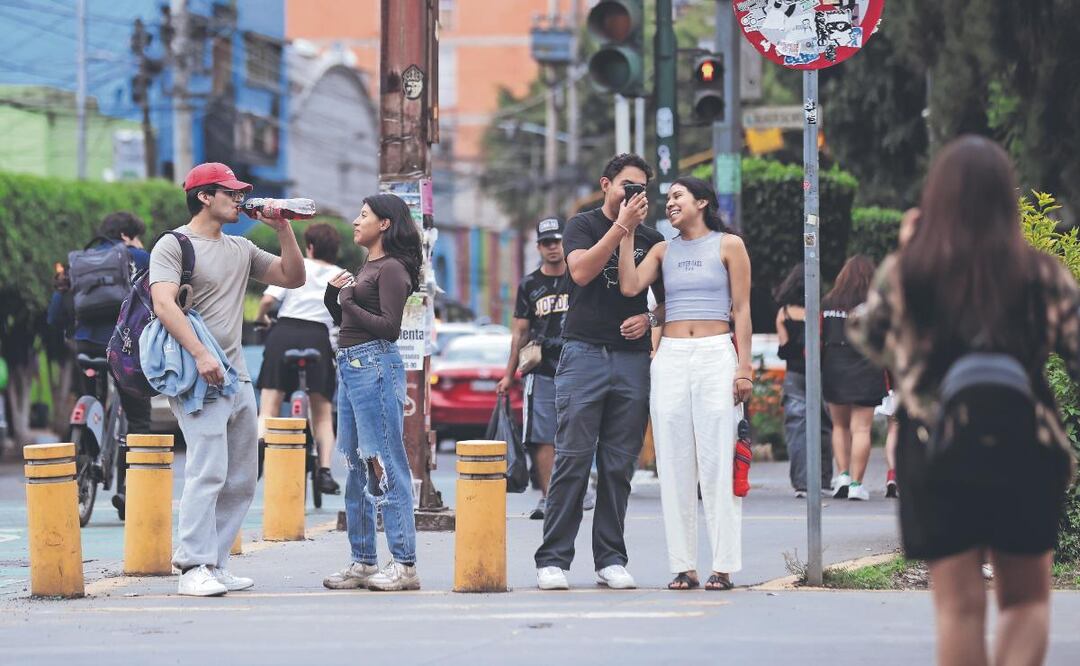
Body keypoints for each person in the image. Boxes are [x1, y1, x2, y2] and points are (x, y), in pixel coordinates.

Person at [850, 135, 1080, 666]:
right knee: (1025, 601)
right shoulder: (1042, 275)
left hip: (934, 451)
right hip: (1027, 446)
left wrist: (907, 252)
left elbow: (871, 337)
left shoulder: (912, 272)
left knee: (958, 609)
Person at [149, 163, 305, 597]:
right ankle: (192, 566)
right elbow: (164, 304)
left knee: (240, 475)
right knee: (207, 470)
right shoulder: (174, 244)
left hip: (237, 378)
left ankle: (215, 563)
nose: (239, 199)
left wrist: (283, 229)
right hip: (197, 376)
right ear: (204, 196)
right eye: (230, 193)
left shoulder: (240, 247)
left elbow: (293, 277)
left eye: (240, 193)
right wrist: (200, 355)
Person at [533, 153, 665, 592]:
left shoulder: (653, 237)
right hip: (584, 354)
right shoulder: (582, 225)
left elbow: (667, 300)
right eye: (627, 186)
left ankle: (610, 558)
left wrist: (649, 321)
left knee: (618, 465)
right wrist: (621, 226)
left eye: (641, 189)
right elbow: (582, 271)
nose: (634, 195)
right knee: (572, 459)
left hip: (631, 360)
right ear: (606, 184)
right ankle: (553, 559)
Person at [617, 176, 752, 591]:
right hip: (671, 358)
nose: (670, 203)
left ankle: (723, 565)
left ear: (702, 202)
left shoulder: (729, 245)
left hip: (716, 354)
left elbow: (744, 309)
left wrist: (744, 368)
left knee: (716, 461)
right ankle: (684, 565)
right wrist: (625, 230)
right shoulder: (662, 249)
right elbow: (630, 286)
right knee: (674, 463)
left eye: (678, 196)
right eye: (669, 198)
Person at [321, 193, 423, 592]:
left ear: (384, 224)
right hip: (350, 364)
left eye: (363, 215)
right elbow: (348, 319)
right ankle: (363, 560)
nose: (355, 221)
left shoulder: (393, 268)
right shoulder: (368, 265)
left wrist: (348, 299)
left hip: (376, 364)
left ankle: (404, 563)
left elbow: (389, 327)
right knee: (356, 463)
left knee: (386, 461)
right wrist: (336, 298)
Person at [48, 212, 153, 512]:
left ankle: (85, 454)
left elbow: (55, 316)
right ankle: (131, 492)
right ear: (124, 236)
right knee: (139, 419)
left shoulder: (77, 263)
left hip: (85, 348)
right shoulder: (139, 258)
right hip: (124, 349)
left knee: (94, 396)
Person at [255, 223, 345, 495]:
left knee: (269, 403)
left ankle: (260, 448)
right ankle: (326, 471)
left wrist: (261, 320)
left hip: (283, 334)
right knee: (322, 411)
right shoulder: (342, 275)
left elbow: (267, 301)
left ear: (310, 246)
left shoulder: (295, 265)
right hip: (318, 338)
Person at [497, 216, 571, 520]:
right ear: (539, 247)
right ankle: (548, 497)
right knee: (542, 436)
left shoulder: (579, 276)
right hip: (541, 369)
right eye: (546, 242)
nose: (553, 247)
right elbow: (520, 332)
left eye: (557, 241)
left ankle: (575, 491)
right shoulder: (529, 285)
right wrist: (508, 373)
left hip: (578, 366)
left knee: (579, 432)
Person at [821, 255, 887, 501]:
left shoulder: (828, 302)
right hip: (867, 367)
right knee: (862, 428)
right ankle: (858, 485)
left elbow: (820, 336)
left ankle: (843, 476)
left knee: (839, 426)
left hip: (835, 366)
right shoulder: (876, 303)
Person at [773, 263, 833, 498]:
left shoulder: (784, 313)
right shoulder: (819, 312)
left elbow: (784, 349)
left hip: (794, 376)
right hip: (819, 375)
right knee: (823, 426)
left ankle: (801, 483)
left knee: (797, 428)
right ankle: (824, 480)